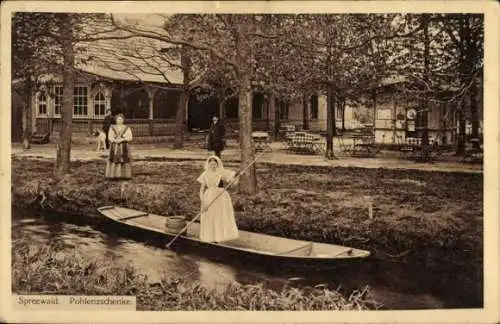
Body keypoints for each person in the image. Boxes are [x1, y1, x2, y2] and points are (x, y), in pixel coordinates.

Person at [196, 156, 239, 243]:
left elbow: (233, 182)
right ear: (208, 165)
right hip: (208, 197)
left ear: (217, 164)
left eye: (214, 164)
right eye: (211, 164)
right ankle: (209, 237)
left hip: (221, 198)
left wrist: (237, 176)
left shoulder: (221, 173)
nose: (213, 166)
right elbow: (201, 190)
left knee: (219, 216)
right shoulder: (205, 175)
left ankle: (219, 237)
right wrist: (203, 203)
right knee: (210, 216)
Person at [105, 114, 133, 180]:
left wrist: (123, 139)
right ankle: (113, 175)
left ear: (123, 120)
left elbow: (130, 137)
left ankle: (125, 175)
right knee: (114, 159)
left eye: (121, 119)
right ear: (116, 120)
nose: (119, 120)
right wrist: (115, 140)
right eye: (118, 119)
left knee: (124, 159)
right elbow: (109, 137)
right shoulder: (112, 127)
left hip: (124, 146)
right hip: (115, 146)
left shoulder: (127, 128)